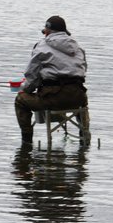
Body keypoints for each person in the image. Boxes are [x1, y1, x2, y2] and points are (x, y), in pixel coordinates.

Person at [15, 16, 88, 144]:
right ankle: (85, 137)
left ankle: (26, 142)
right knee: (82, 102)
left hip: (53, 99)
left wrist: (25, 89)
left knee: (20, 100)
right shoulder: (78, 47)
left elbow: (32, 75)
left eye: (44, 31)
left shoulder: (41, 47)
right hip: (77, 97)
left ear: (48, 31)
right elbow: (83, 70)